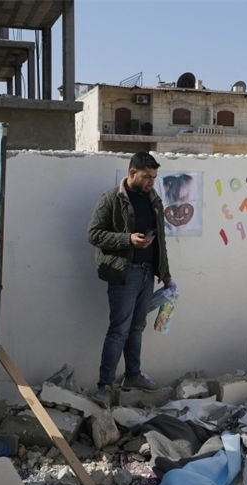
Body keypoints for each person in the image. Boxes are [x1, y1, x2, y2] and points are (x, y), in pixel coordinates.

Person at [87, 152, 172, 408]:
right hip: (124, 273)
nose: (151, 182)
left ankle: (133, 375)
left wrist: (165, 272)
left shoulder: (153, 200)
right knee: (119, 330)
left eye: (154, 177)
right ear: (132, 172)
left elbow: (161, 239)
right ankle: (104, 386)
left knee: (137, 328)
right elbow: (93, 234)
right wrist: (128, 240)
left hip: (147, 273)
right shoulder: (111, 198)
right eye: (147, 177)